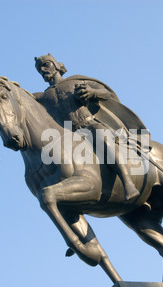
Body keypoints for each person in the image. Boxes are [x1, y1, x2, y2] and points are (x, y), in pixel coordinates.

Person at [33, 54, 148, 202]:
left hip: (89, 125)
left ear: (56, 65)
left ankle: (128, 183)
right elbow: (20, 95)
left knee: (103, 138)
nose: (42, 70)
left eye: (45, 65)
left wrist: (92, 92)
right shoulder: (43, 96)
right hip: (69, 136)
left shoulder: (75, 82)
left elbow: (106, 93)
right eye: (39, 69)